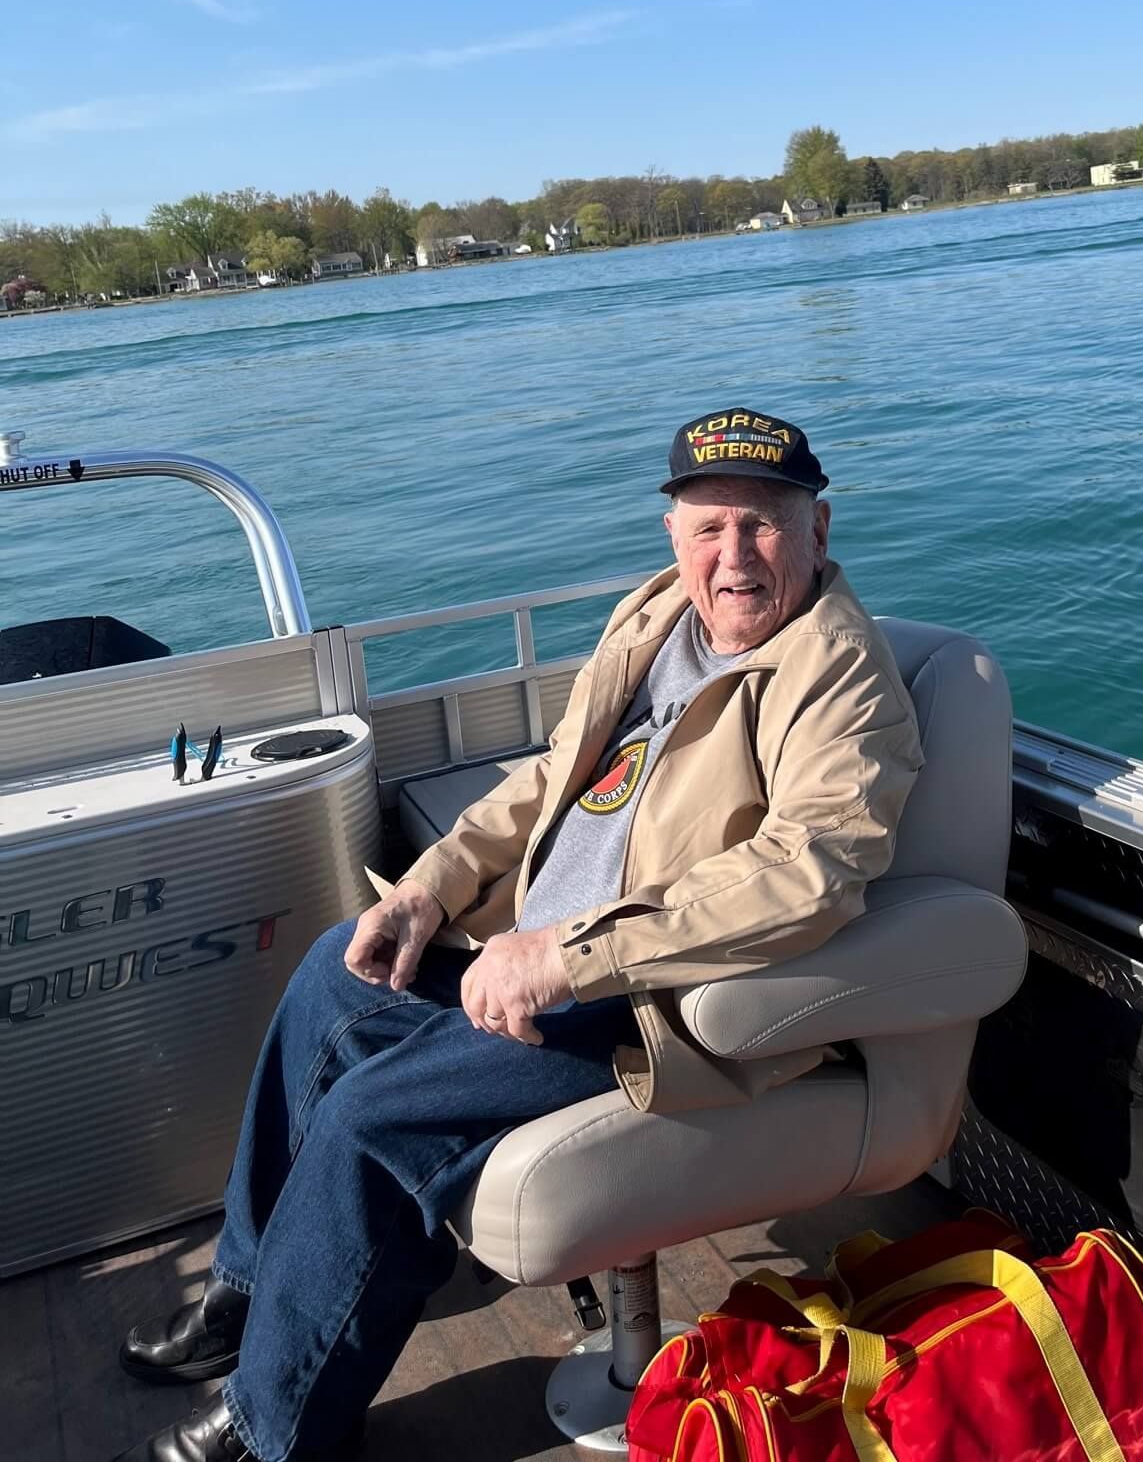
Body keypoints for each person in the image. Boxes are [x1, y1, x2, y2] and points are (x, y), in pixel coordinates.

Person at [114, 408, 923, 1462]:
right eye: (709, 526)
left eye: (765, 525)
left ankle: (276, 1429)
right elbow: (551, 777)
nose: (733, 557)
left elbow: (809, 873)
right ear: (673, 532)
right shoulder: (657, 617)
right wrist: (431, 889)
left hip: (649, 993)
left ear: (818, 529)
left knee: (373, 1113)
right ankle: (249, 1288)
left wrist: (566, 956)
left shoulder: (838, 674)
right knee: (332, 972)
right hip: (531, 946)